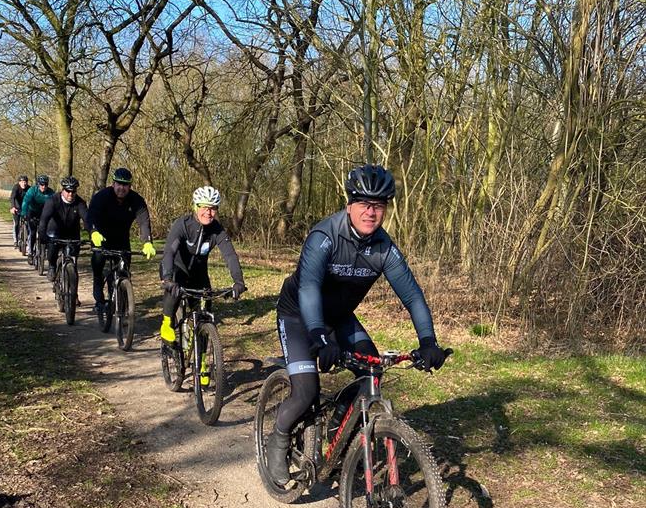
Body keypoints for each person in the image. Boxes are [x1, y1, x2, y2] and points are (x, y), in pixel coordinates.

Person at [266, 163, 451, 486]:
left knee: (372, 372)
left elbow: (413, 297)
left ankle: (341, 436)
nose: (371, 212)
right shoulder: (324, 237)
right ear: (349, 204)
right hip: (299, 316)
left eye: (378, 206)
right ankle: (278, 439)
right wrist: (319, 337)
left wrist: (428, 342)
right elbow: (309, 288)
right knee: (307, 390)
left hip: (338, 318)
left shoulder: (384, 248)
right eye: (364, 204)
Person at [159, 186, 246, 344]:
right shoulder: (183, 225)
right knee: (174, 289)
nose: (209, 212)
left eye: (213, 208)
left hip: (199, 273)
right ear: (195, 206)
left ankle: (204, 360)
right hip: (177, 268)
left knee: (206, 314)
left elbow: (230, 255)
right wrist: (167, 278)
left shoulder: (217, 231)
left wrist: (238, 281)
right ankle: (167, 323)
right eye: (204, 207)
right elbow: (169, 252)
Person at [86, 167, 156, 313]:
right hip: (101, 237)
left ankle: (120, 300)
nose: (121, 188)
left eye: (125, 185)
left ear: (130, 186)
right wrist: (93, 232)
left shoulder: (137, 201)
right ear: (113, 184)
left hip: (122, 238)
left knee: (123, 270)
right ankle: (98, 287)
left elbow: (144, 222)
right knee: (98, 259)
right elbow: (91, 215)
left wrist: (147, 242)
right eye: (119, 184)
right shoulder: (102, 196)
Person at [37, 176, 88, 281]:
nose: (70, 194)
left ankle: (74, 294)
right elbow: (43, 220)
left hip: (72, 233)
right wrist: (42, 235)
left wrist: (93, 232)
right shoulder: (52, 201)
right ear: (62, 190)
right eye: (68, 191)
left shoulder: (80, 203)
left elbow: (87, 220)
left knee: (74, 264)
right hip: (55, 230)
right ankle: (52, 267)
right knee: (52, 249)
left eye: (73, 191)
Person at [21, 175, 53, 262]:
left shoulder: (50, 193)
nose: (44, 187)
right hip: (32, 212)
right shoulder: (32, 191)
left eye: (46, 185)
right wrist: (23, 213)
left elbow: (55, 205)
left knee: (46, 231)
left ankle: (44, 249)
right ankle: (30, 253)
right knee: (33, 232)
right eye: (42, 184)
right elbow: (25, 202)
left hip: (43, 213)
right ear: (38, 184)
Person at [9, 174, 30, 246]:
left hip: (25, 207)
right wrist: (12, 207)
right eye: (22, 182)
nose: (24, 184)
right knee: (16, 223)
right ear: (19, 182)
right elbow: (12, 198)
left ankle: (27, 240)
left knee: (28, 224)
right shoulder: (16, 187)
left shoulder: (29, 189)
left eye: (25, 182)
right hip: (16, 206)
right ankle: (15, 240)